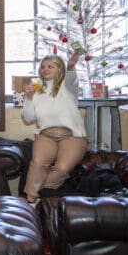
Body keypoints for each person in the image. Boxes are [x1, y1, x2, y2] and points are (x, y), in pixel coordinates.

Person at [22, 52, 88, 204]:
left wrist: (70, 66)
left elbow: (70, 76)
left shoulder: (67, 86)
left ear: (59, 69)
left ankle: (40, 194)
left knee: (62, 169)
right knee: (38, 163)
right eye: (43, 67)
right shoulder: (37, 89)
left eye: (50, 66)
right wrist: (30, 98)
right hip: (46, 135)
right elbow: (28, 118)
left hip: (72, 136)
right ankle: (30, 203)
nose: (45, 69)